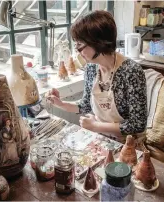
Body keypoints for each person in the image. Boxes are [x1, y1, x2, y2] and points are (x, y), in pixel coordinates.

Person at [46, 10, 147, 142]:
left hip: (128, 144)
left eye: (80, 44)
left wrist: (96, 126)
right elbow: (86, 105)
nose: (77, 50)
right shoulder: (91, 68)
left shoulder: (131, 72)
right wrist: (61, 104)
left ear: (98, 43)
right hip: (101, 137)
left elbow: (137, 124)